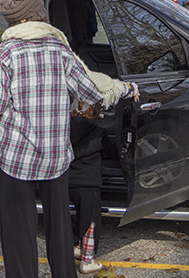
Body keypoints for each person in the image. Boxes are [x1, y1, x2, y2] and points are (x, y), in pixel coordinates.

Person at [0, 0, 138, 278]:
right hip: (55, 155)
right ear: (39, 17)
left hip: (16, 154)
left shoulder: (6, 51)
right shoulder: (60, 50)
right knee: (58, 226)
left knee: (19, 226)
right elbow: (90, 93)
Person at [68, 115, 117, 274]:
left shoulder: (65, 127)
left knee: (79, 215)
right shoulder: (98, 132)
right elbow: (114, 151)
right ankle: (87, 259)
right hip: (88, 182)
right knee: (91, 219)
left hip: (68, 180)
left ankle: (77, 247)